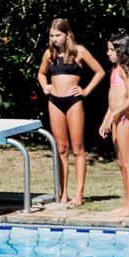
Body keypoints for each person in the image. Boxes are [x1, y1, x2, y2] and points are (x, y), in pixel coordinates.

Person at [37, 17, 105, 208]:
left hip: (74, 102)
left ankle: (78, 194)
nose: (54, 39)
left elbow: (100, 71)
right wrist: (45, 86)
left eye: (58, 35)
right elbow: (41, 74)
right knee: (61, 149)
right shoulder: (48, 54)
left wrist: (86, 90)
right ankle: (63, 192)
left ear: (68, 35)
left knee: (78, 148)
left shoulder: (79, 51)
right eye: (52, 36)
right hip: (55, 102)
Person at [99, 34, 129, 217]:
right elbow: (112, 100)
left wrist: (113, 116)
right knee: (121, 162)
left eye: (111, 50)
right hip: (116, 119)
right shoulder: (115, 70)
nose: (108, 53)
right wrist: (106, 119)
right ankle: (127, 204)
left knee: (128, 162)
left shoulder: (125, 69)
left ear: (121, 50)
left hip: (124, 119)